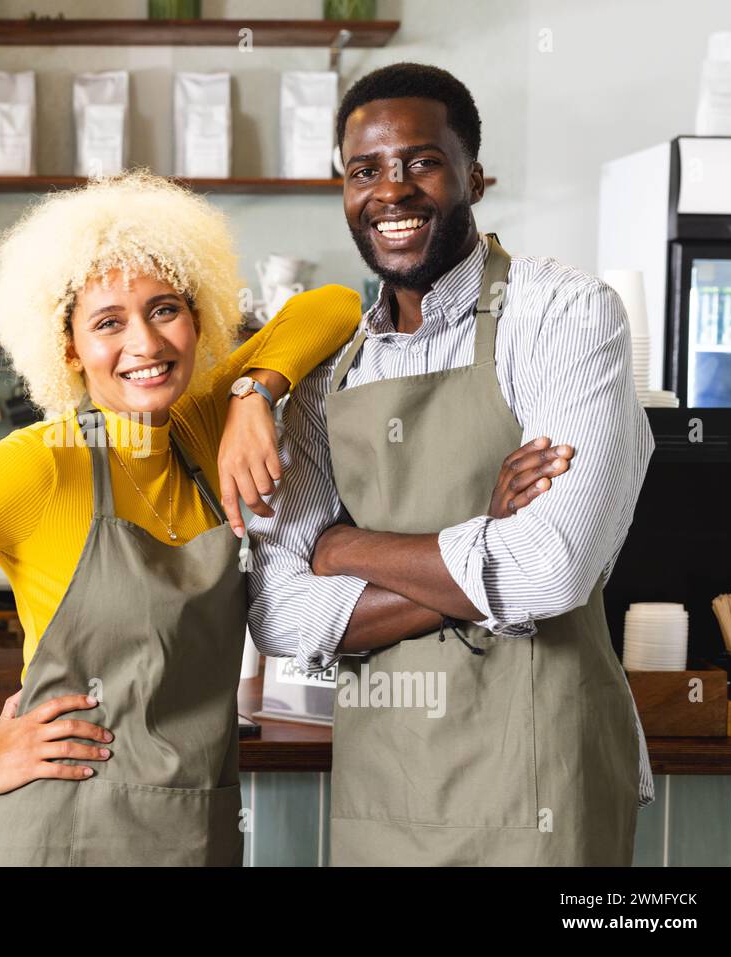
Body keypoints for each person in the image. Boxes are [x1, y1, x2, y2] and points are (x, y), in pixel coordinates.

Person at [0, 170, 362, 866]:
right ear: (68, 347)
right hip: (47, 835)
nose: (145, 344)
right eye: (107, 322)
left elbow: (332, 306)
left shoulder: (201, 423)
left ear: (200, 316)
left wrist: (254, 390)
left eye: (165, 308)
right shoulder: (40, 465)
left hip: (187, 834)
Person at [242, 63, 656, 866]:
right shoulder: (332, 370)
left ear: (474, 174)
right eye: (365, 170)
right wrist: (484, 535)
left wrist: (345, 549)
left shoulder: (563, 314)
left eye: (421, 162)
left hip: (545, 777)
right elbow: (281, 615)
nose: (391, 191)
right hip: (385, 786)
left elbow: (551, 570)